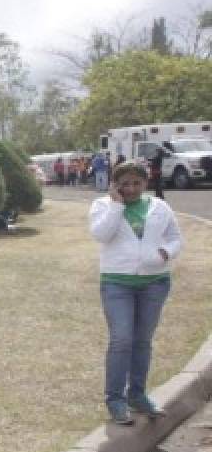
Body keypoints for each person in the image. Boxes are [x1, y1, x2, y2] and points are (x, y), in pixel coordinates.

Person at [89, 163, 182, 425]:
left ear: (145, 183)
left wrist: (166, 252)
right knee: (121, 340)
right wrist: (117, 205)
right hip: (117, 283)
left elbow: (175, 237)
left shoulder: (159, 207)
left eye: (136, 183)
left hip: (155, 282)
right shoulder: (102, 206)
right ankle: (115, 400)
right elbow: (101, 235)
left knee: (142, 341)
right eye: (124, 184)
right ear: (115, 184)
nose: (130, 189)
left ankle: (138, 395)